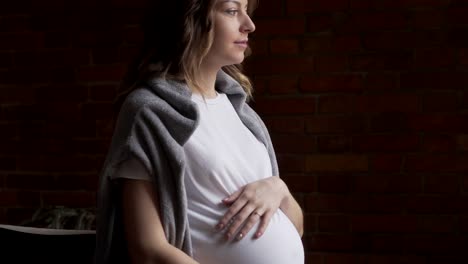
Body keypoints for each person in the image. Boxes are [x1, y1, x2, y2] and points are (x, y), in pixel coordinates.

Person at [95, 0, 305, 263]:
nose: (249, 25)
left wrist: (279, 189)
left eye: (246, 11)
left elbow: (295, 228)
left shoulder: (245, 116)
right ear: (190, 21)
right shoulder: (152, 112)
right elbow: (148, 249)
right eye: (231, 11)